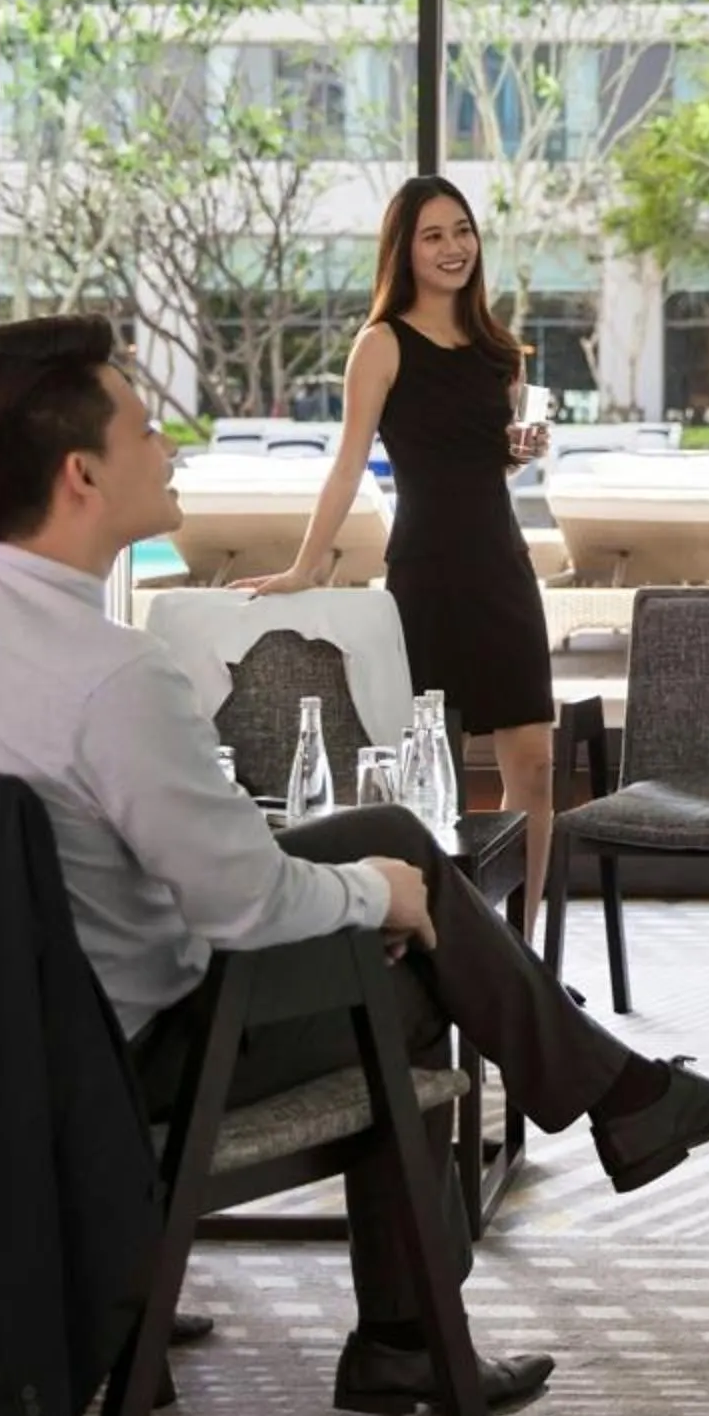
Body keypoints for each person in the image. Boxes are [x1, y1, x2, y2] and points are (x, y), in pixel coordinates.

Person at [0, 315, 709, 1416]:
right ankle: (425, 1312)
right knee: (403, 972)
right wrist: (375, 899)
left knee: (393, 835)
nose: (169, 446)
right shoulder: (115, 674)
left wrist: (372, 870)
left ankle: (619, 1098)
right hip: (129, 1060)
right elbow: (242, 902)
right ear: (80, 474)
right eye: (147, 427)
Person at [241, 175, 562, 936]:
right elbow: (349, 463)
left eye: (462, 231)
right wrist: (306, 566)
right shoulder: (380, 345)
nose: (453, 248)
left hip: (502, 569)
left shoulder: (498, 350)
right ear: (405, 251)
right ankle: (444, 946)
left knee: (536, 771)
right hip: (426, 572)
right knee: (435, 773)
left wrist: (522, 452)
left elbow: (482, 463)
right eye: (433, 236)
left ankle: (519, 955)